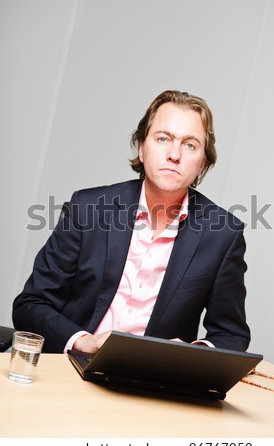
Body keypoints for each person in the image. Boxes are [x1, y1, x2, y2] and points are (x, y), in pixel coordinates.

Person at [12, 90, 250, 354]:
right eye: (163, 138)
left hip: (152, 383)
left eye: (190, 145)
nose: (174, 154)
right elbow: (30, 304)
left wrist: (192, 353)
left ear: (202, 161)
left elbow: (231, 335)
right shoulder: (87, 208)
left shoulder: (223, 235)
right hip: (70, 370)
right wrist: (82, 341)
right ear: (141, 147)